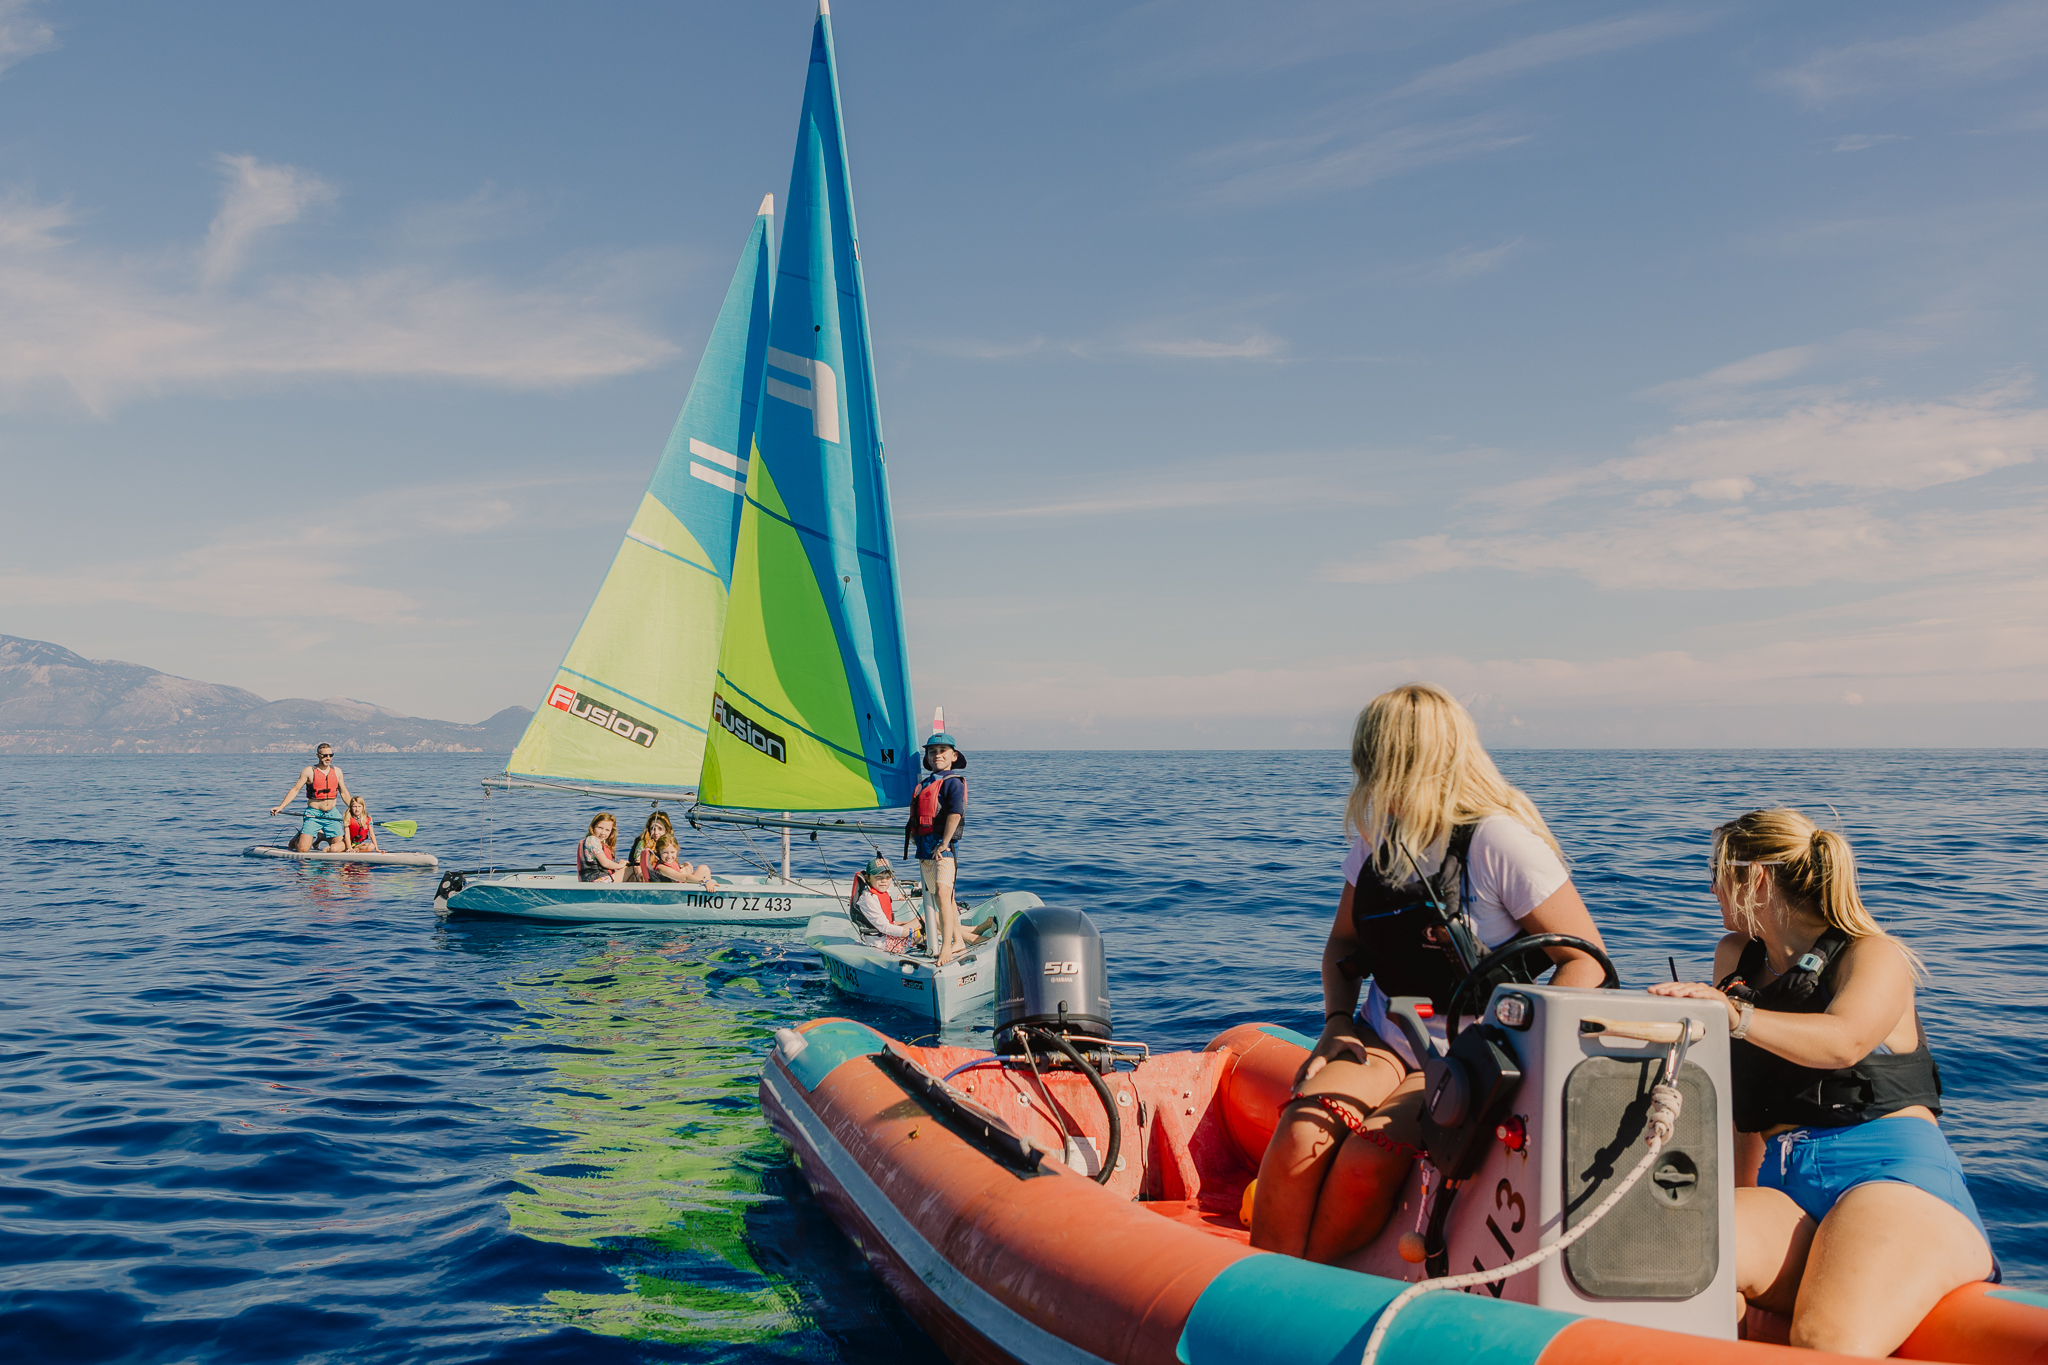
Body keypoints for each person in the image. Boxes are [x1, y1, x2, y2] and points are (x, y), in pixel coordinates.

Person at [1248, 683, 1610, 1264]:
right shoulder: (1375, 846)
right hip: (1385, 1037)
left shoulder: (1499, 843)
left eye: (1370, 760)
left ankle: (1308, 1292)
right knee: (1301, 1136)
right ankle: (1258, 1295)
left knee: (1369, 1160)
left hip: (1464, 1055)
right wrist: (1336, 1023)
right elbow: (1343, 943)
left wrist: (1514, 1046)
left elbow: (1586, 958)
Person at [1648, 809, 1992, 1356]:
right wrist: (1744, 1196)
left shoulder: (1872, 955)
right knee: (1658, 1259)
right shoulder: (1736, 957)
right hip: (1789, 1185)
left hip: (1892, 1181)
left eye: (1716, 871)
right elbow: (1743, 1107)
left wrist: (1734, 1016)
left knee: (1823, 1339)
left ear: (1754, 878)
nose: (1710, 887)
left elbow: (1844, 1040)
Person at [908, 732, 972, 964]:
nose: (937, 755)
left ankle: (946, 947)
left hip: (942, 851)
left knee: (944, 896)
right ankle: (959, 941)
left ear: (953, 756)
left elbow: (955, 814)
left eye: (943, 751)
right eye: (932, 752)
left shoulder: (952, 782)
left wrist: (944, 844)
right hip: (925, 850)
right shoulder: (926, 783)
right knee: (942, 898)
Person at [270, 744, 353, 853]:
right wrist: (281, 806)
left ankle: (322, 835)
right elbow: (295, 790)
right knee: (302, 850)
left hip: (332, 814)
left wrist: (354, 810)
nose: (328, 758)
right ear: (318, 755)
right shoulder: (309, 771)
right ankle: (297, 839)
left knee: (341, 848)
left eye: (330, 755)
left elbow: (344, 792)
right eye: (325, 755)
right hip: (313, 814)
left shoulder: (337, 771)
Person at [851, 857, 918, 953]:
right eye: (879, 877)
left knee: (925, 920)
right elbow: (885, 928)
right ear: (867, 878)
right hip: (882, 944)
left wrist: (916, 925)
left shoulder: (881, 894)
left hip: (887, 937)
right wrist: (916, 933)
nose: (884, 881)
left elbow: (890, 922)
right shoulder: (868, 899)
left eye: (888, 877)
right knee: (928, 931)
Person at [648, 834, 718, 892]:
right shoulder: (662, 868)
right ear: (659, 852)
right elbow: (685, 878)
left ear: (677, 851)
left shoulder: (670, 863)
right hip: (678, 892)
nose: (669, 856)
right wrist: (705, 881)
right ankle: (708, 887)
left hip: (682, 886)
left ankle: (709, 890)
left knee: (704, 868)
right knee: (701, 873)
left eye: (672, 852)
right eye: (665, 853)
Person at [624, 811, 675, 882]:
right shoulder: (643, 842)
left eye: (660, 829)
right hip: (645, 877)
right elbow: (637, 864)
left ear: (666, 830)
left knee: (687, 866)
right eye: (652, 829)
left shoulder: (669, 844)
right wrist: (640, 875)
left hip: (661, 874)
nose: (656, 832)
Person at [577, 813, 626, 882]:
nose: (603, 833)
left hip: (599, 879)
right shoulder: (592, 840)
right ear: (593, 827)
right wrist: (621, 865)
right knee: (631, 869)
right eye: (600, 828)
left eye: (607, 830)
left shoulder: (602, 843)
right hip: (597, 881)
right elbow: (605, 863)